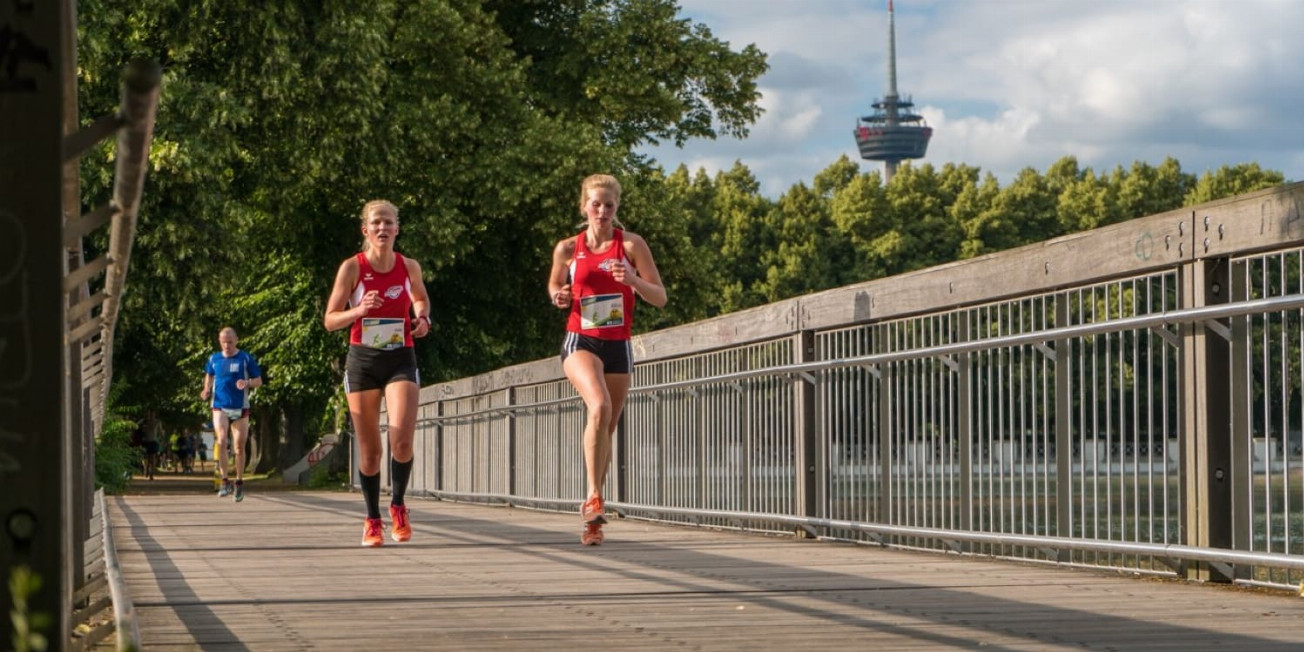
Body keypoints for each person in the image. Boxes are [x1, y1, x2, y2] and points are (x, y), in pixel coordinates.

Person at [547, 174, 666, 545]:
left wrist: (631, 279)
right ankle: (593, 498)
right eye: (595, 204)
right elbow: (554, 286)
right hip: (581, 339)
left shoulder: (631, 245)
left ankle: (593, 518)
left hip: (618, 344)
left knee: (606, 427)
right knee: (598, 406)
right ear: (584, 206)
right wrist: (559, 296)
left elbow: (659, 297)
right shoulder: (567, 248)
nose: (601, 211)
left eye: (608, 205)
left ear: (617, 208)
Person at [323, 199, 431, 547]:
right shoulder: (352, 268)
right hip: (363, 362)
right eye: (376, 223)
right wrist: (358, 311)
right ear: (365, 230)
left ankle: (398, 506)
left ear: (397, 229)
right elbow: (329, 320)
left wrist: (423, 318)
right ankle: (372, 519)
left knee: (401, 441)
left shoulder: (408, 266)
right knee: (370, 453)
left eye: (388, 223)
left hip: (400, 357)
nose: (382, 228)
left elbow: (420, 300)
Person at [201, 327, 263, 502]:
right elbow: (209, 376)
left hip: (240, 407)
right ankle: (224, 481)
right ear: (219, 341)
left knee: (239, 447)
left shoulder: (245, 358)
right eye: (223, 342)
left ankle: (239, 482)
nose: (227, 345)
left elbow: (259, 381)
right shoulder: (214, 358)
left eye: (230, 342)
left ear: (236, 340)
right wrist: (206, 389)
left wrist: (247, 382)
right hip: (219, 405)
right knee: (221, 440)